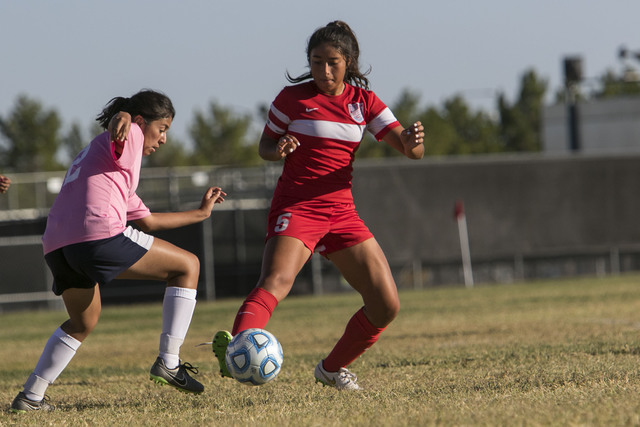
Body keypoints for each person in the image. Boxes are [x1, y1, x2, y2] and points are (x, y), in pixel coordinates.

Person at [212, 20, 425, 390]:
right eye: (316, 61)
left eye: (333, 62)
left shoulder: (364, 103)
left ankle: (330, 369)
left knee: (386, 304)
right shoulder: (290, 99)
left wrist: (410, 140)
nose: (324, 71)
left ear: (349, 62)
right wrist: (276, 150)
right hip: (298, 206)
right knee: (276, 281)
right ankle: (236, 352)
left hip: (342, 212)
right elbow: (265, 146)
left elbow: (412, 152)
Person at [10, 89, 226, 413]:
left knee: (83, 321)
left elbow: (148, 221)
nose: (163, 139)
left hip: (57, 246)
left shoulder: (107, 168)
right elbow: (123, 130)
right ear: (141, 121)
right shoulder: (131, 135)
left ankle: (31, 396)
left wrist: (201, 213)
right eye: (163, 129)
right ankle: (169, 362)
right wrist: (121, 117)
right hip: (96, 236)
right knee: (188, 266)